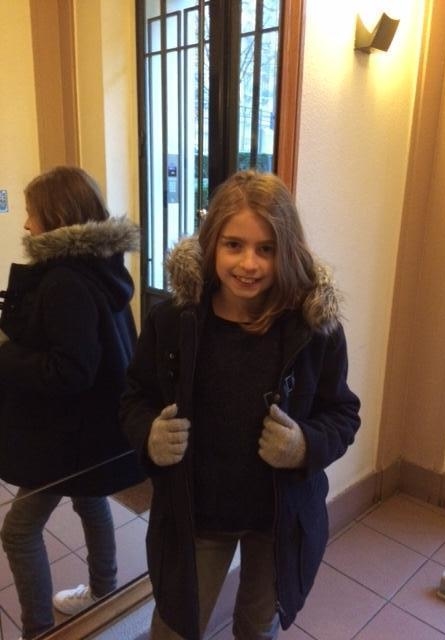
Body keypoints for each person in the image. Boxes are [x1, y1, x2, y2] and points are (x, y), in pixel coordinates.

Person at [120, 169, 361, 640]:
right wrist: (149, 433)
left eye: (266, 249)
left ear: (286, 250)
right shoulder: (172, 322)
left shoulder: (313, 329)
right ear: (212, 244)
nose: (249, 264)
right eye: (234, 245)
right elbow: (134, 397)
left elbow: (342, 413)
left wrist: (304, 445)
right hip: (198, 512)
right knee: (173, 627)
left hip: (278, 517)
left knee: (256, 626)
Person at [0, 166, 144, 640]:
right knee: (90, 498)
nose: (26, 224)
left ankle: (39, 631)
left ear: (57, 216)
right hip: (99, 428)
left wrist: (5, 354)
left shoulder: (65, 280)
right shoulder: (102, 264)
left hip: (69, 435)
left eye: (32, 214)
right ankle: (104, 591)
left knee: (18, 530)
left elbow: (69, 371)